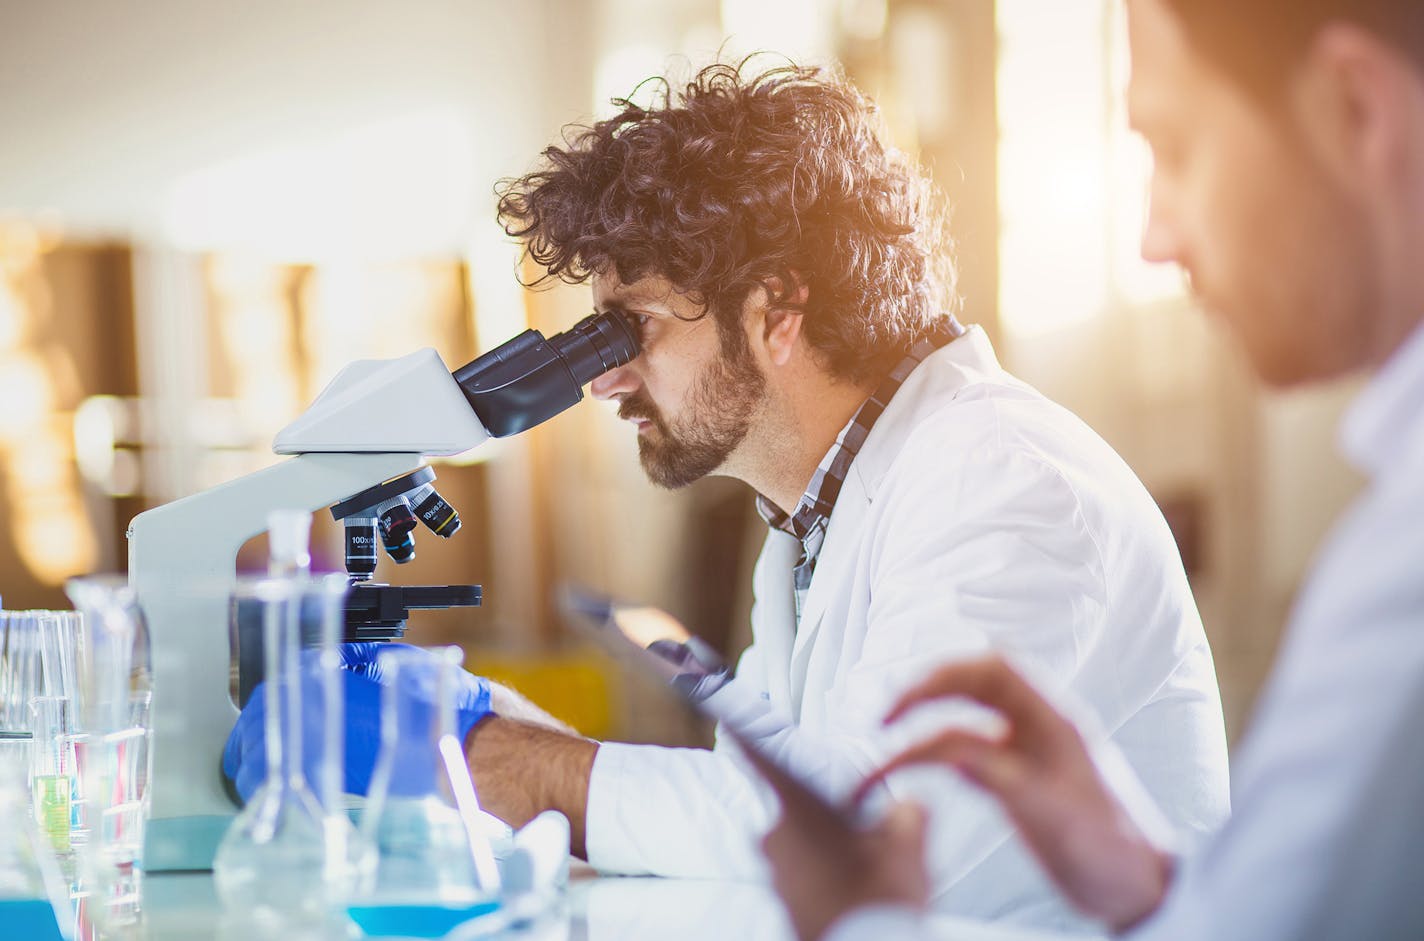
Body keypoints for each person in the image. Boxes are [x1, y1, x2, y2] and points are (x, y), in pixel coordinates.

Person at [224, 60, 1229, 928]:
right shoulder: (810, 519)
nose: (606, 379)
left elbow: (868, 828)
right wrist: (525, 745)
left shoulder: (1003, 483)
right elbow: (757, 817)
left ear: (777, 308)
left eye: (630, 331)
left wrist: (533, 766)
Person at [760, 1, 1424, 939]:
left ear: (1357, 110)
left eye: (1176, 148)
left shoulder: (1403, 570)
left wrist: (861, 919)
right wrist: (1144, 879)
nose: (1154, 236)